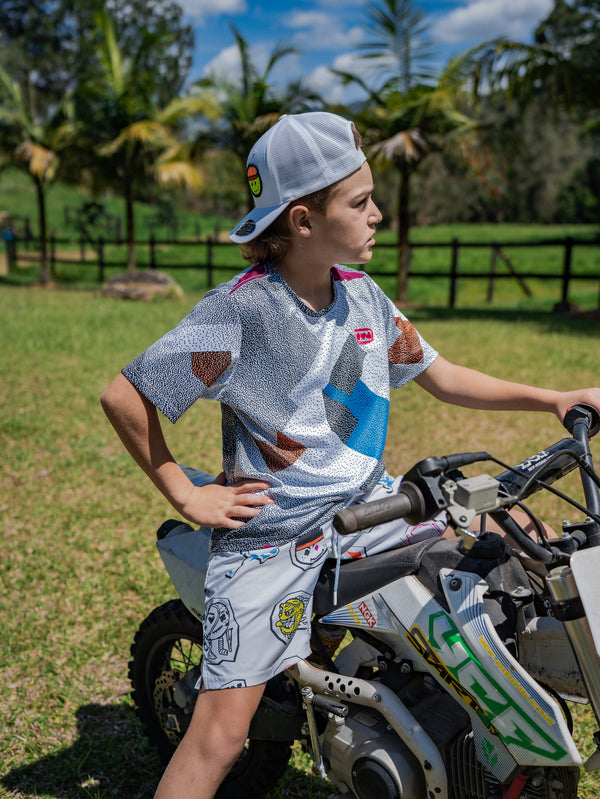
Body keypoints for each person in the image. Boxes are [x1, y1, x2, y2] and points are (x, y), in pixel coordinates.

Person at [101, 111, 600, 799]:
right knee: (219, 735)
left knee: (526, 549)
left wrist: (551, 396)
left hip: (376, 506)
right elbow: (127, 396)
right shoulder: (242, 313)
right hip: (271, 541)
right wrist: (185, 494)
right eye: (361, 202)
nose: (378, 215)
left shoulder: (363, 295)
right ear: (303, 220)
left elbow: (441, 374)